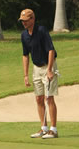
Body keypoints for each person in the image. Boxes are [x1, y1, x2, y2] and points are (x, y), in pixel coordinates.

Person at [19, 9, 59, 139]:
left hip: (48, 65)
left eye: (26, 20)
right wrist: (25, 75)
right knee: (38, 98)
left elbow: (51, 50)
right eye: (22, 21)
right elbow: (25, 55)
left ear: (32, 19)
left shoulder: (41, 30)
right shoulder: (24, 35)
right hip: (36, 68)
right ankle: (44, 128)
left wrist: (50, 70)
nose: (24, 23)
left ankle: (53, 129)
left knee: (49, 98)